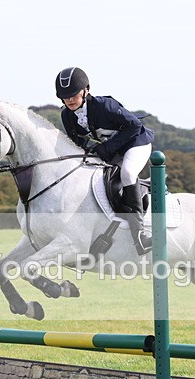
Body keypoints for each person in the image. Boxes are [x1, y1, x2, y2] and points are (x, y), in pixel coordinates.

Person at [55, 67, 155, 255]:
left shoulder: (104, 105)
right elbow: (77, 143)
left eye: (73, 94)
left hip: (137, 142)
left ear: (86, 90)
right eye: (64, 96)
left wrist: (105, 148)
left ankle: (140, 234)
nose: (69, 100)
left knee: (127, 173)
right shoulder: (66, 115)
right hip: (113, 149)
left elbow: (134, 125)